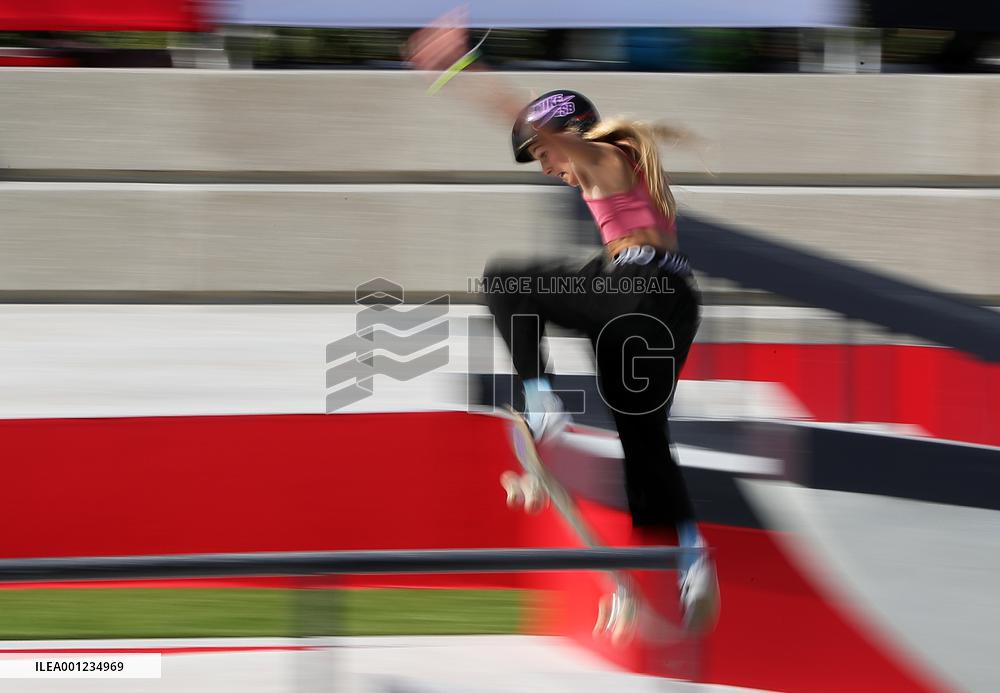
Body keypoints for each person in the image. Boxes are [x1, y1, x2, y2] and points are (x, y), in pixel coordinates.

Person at [406, 11, 719, 633]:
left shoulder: (603, 155)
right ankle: (692, 559)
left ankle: (543, 402)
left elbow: (518, 115)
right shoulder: (629, 181)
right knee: (643, 435)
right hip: (671, 306)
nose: (549, 168)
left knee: (507, 282)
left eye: (545, 154)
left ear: (568, 133)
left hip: (639, 290)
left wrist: (461, 65)